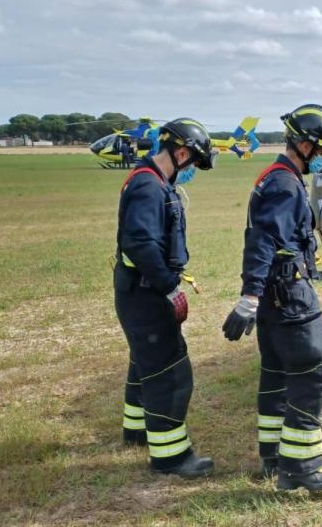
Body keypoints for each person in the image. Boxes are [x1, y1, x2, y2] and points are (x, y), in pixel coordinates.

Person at [222, 104, 322, 493]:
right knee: (319, 380)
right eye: (321, 149)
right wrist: (248, 297)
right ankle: (301, 469)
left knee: (277, 378)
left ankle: (274, 458)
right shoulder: (285, 184)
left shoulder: (276, 177)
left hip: (275, 299)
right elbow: (263, 242)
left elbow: (280, 241)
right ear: (305, 143)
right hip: (289, 300)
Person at [114, 118, 217, 478]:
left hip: (137, 292)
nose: (192, 173)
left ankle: (137, 431)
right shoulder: (148, 186)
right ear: (182, 153)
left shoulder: (152, 181)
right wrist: (169, 288)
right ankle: (171, 456)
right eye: (193, 165)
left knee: (144, 363)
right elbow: (140, 244)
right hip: (147, 294)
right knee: (170, 372)